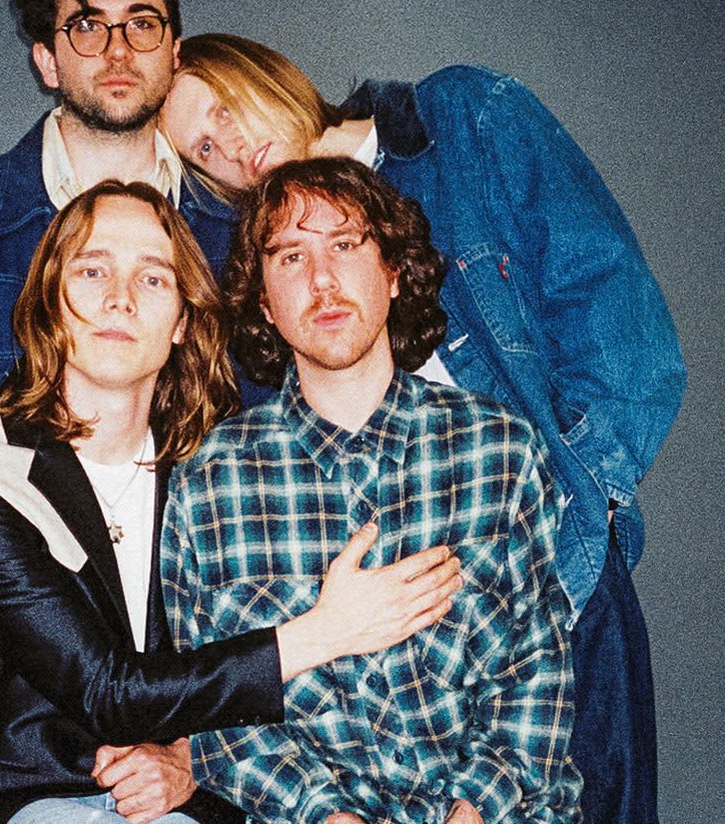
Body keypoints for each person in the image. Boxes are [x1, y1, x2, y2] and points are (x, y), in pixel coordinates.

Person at [159, 34, 686, 823]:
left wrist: (577, 516)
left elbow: (624, 333)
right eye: (205, 148)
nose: (232, 148)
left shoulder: (460, 120)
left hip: (555, 578)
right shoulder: (262, 333)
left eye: (226, 109)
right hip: (380, 665)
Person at [0, 179, 461, 824]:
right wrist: (325, 630)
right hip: (38, 798)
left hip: (194, 803)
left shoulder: (213, 466)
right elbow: (109, 691)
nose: (119, 299)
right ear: (48, 303)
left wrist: (189, 759)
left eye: (152, 279)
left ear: (181, 321)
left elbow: (254, 681)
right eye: (92, 271)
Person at [162, 158, 583, 823]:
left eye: (345, 245)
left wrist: (472, 810)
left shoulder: (499, 450)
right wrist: (329, 816)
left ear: (393, 272)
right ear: (263, 302)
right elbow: (219, 718)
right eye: (291, 257)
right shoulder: (209, 485)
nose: (322, 280)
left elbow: (536, 671)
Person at [0, 0, 231, 451]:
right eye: (87, 27)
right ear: (47, 61)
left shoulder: (232, 220)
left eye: (142, 24)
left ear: (174, 54)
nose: (118, 50)